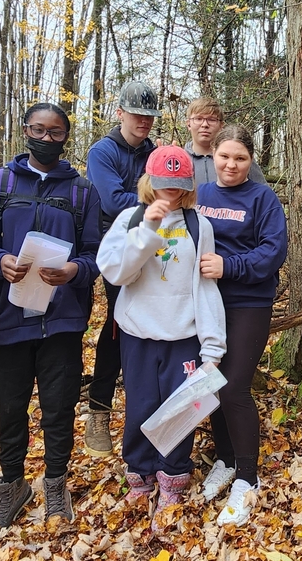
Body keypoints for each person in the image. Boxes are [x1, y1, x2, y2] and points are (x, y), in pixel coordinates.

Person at [0, 103, 102, 528]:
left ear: (67, 136)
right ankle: (12, 485)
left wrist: (74, 272)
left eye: (56, 132)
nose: (46, 139)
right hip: (10, 317)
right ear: (25, 130)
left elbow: (96, 254)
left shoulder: (82, 191)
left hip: (62, 319)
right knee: (10, 408)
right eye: (38, 130)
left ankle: (55, 484)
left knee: (59, 407)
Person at [96, 146, 226, 530]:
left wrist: (213, 346)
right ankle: (139, 476)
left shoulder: (199, 225)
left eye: (178, 185)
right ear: (149, 182)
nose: (170, 192)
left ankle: (172, 478)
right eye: (163, 184)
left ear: (188, 186)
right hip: (138, 334)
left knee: (179, 412)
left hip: (183, 334)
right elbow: (117, 273)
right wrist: (147, 230)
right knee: (139, 408)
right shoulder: (129, 218)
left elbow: (205, 287)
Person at [196, 125, 287, 527]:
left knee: (235, 387)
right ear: (212, 154)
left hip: (249, 302)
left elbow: (273, 253)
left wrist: (228, 266)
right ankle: (225, 458)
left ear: (251, 161)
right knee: (213, 384)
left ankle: (247, 479)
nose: (231, 164)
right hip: (207, 304)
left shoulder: (263, 198)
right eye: (225, 156)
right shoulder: (199, 196)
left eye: (240, 158)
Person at [85, 82, 161, 458]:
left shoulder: (153, 153)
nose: (143, 122)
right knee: (117, 326)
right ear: (120, 113)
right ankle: (98, 409)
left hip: (157, 246)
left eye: (149, 116)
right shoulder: (103, 151)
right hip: (117, 249)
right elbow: (114, 201)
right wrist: (157, 200)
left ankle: (146, 407)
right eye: (137, 115)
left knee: (153, 325)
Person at [184, 97, 266, 186]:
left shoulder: (239, 158)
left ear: (221, 126)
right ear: (188, 124)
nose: (205, 125)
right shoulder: (180, 159)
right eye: (198, 119)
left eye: (212, 120)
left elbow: (264, 194)